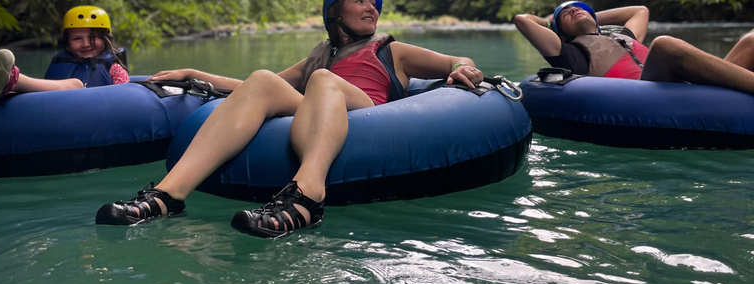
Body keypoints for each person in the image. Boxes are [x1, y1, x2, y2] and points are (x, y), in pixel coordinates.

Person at [95, 0, 485, 238]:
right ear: (334, 12)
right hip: (317, 112)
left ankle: (307, 198)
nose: (373, 8)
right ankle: (168, 196)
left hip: (368, 117)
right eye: (360, 0)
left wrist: (463, 69)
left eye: (374, 2)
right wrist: (193, 74)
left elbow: (454, 61)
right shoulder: (320, 56)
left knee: (322, 81)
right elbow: (247, 88)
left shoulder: (393, 50)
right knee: (264, 79)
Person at [513, 2, 754, 94]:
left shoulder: (623, 35)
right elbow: (522, 21)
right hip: (646, 91)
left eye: (579, 7)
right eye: (566, 14)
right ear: (560, 33)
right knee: (663, 45)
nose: (574, 10)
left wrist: (591, 17)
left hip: (686, 86)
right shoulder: (566, 50)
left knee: (750, 40)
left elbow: (640, 10)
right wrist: (551, 22)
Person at [0, 5, 128, 104]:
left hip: (91, 108)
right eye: (77, 39)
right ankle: (3, 86)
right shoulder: (61, 61)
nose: (86, 43)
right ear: (67, 42)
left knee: (76, 84)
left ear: (106, 39)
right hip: (51, 106)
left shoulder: (114, 67)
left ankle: (12, 79)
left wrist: (148, 83)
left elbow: (128, 92)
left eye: (93, 38)